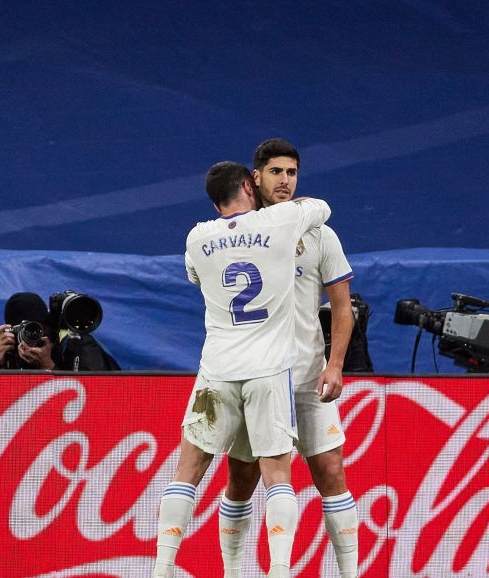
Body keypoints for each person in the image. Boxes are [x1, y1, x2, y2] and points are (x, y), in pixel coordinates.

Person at [153, 161, 330, 578]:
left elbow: (196, 277)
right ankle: (280, 569)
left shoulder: (197, 236)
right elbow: (321, 208)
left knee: (188, 470)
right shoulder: (281, 221)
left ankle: (163, 565)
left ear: (215, 201)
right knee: (276, 475)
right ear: (251, 186)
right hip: (269, 369)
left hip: (217, 370)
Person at [216, 139, 360, 578]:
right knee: (241, 481)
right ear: (254, 177)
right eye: (275, 171)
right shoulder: (236, 234)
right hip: (255, 379)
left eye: (291, 173)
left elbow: (341, 306)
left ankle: (349, 574)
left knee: (331, 474)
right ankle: (233, 572)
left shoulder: (320, 234)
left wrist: (335, 364)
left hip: (308, 378)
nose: (285, 180)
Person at [0, 291, 120, 370]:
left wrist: (48, 366)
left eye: (39, 328)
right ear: (12, 331)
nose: (33, 336)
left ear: (50, 328)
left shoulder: (74, 346)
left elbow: (95, 396)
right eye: (25, 330)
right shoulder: (8, 350)